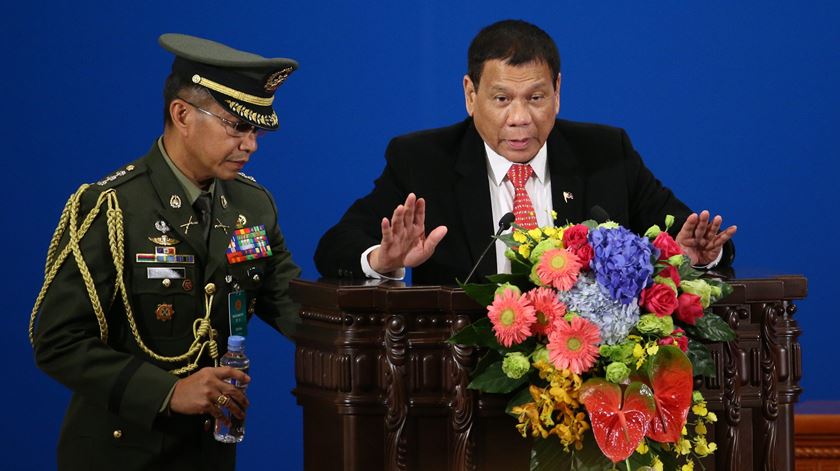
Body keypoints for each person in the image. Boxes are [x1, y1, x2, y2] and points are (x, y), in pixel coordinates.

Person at [30, 34, 301, 471]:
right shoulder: (111, 207)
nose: (251, 145)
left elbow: (294, 307)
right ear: (182, 114)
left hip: (210, 452)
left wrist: (379, 271)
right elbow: (57, 342)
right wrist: (168, 392)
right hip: (119, 452)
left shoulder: (253, 206)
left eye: (255, 130)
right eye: (237, 126)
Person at [315, 19, 736, 285]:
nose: (520, 118)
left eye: (535, 97)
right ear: (470, 95)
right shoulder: (423, 160)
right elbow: (335, 247)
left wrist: (700, 254)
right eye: (501, 100)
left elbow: (689, 233)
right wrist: (385, 260)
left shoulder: (606, 153)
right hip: (460, 379)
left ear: (558, 91)